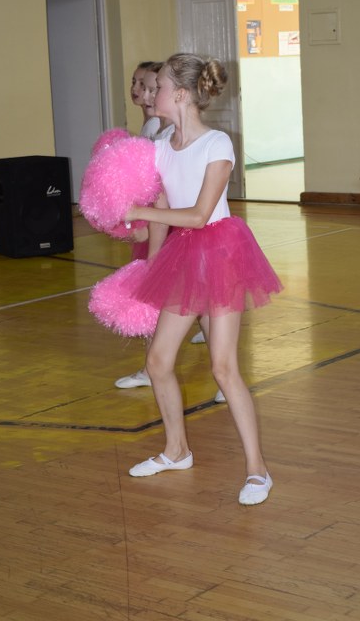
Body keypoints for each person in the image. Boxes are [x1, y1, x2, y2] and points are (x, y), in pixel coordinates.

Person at [123, 53, 283, 505]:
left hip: (221, 253)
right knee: (158, 361)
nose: (150, 94)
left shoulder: (217, 144)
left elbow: (196, 214)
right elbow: (159, 214)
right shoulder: (159, 147)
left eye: (158, 87)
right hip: (183, 256)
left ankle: (257, 470)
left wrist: (142, 210)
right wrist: (143, 246)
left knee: (223, 367)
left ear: (180, 94)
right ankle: (176, 451)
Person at [115, 62, 214, 390]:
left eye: (151, 87)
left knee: (200, 303)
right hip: (162, 227)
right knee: (180, 302)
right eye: (140, 85)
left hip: (182, 233)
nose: (142, 93)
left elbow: (184, 203)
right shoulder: (155, 134)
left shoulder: (186, 138)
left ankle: (222, 375)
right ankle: (153, 367)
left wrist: (148, 230)